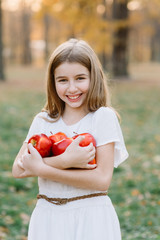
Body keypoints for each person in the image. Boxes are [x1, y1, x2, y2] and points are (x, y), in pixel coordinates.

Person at [12, 38, 129, 240]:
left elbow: (101, 180)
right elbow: (19, 169)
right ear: (53, 82)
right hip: (48, 217)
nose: (72, 88)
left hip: (91, 216)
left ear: (94, 78)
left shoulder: (102, 117)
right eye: (63, 80)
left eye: (80, 78)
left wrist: (42, 169)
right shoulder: (43, 121)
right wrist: (65, 161)